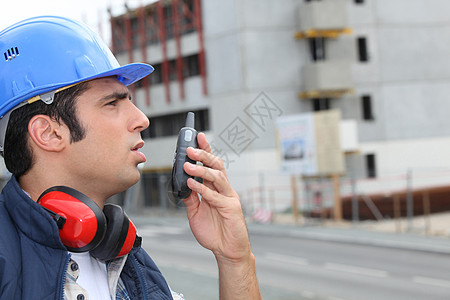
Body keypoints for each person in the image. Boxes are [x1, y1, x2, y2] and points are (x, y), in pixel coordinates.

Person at [0, 16, 262, 300]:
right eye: (112, 103)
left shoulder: (129, 263)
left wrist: (235, 261)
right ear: (48, 133)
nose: (142, 119)